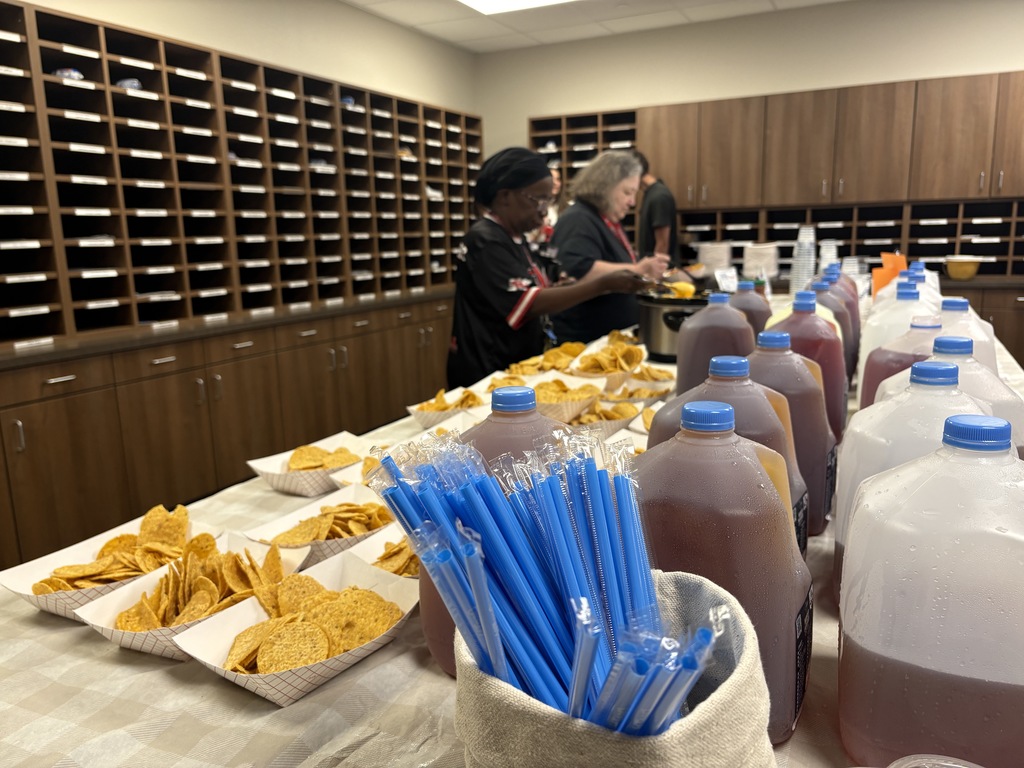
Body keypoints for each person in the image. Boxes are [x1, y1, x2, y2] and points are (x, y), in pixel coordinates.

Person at [447, 147, 649, 389]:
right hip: (487, 372)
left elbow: (549, 279)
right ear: (505, 197)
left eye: (549, 200)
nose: (544, 209)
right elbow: (527, 303)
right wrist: (602, 284)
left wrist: (562, 284)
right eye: (537, 199)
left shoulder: (519, 241)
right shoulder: (486, 240)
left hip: (516, 367)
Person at [550, 150, 670, 343]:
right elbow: (577, 269)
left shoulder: (605, 219)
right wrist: (638, 269)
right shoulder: (578, 219)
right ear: (605, 186)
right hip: (586, 342)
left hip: (609, 339)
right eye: (627, 192)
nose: (632, 202)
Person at [635, 150, 680, 265]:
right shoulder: (650, 194)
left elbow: (662, 244)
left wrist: (653, 277)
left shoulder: (659, 197)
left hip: (662, 273)